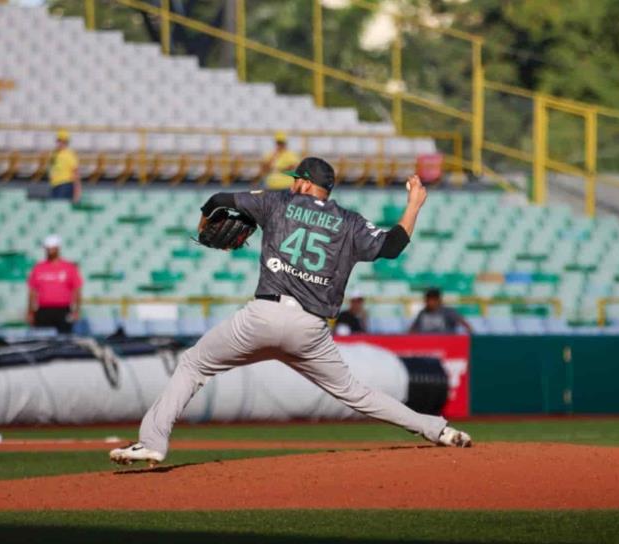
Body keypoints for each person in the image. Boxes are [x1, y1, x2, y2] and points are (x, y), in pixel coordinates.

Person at [110, 157, 471, 466]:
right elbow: (392, 246)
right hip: (310, 330)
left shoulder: (278, 202)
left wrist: (204, 223)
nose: (294, 184)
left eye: (297, 179)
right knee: (357, 394)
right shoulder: (350, 222)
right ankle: (437, 429)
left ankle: (153, 444)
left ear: (305, 183)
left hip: (262, 317)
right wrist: (414, 205)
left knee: (192, 365)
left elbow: (218, 198)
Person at [26, 235, 82, 334]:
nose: (49, 251)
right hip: (43, 310)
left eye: (52, 248)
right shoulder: (38, 268)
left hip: (63, 310)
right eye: (47, 248)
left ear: (58, 248)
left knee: (65, 339)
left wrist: (76, 311)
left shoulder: (69, 267)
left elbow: (77, 290)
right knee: (42, 340)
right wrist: (30, 312)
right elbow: (32, 291)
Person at [409, 287, 473, 334]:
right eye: (427, 300)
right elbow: (412, 329)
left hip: (446, 343)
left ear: (438, 300)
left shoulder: (448, 312)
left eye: (432, 300)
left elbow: (465, 325)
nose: (429, 303)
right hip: (426, 344)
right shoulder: (422, 313)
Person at [48, 130, 81, 202]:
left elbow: (76, 174)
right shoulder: (54, 154)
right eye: (59, 140)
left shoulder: (69, 155)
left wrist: (77, 193)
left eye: (63, 141)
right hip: (55, 185)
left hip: (65, 185)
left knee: (59, 206)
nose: (60, 143)